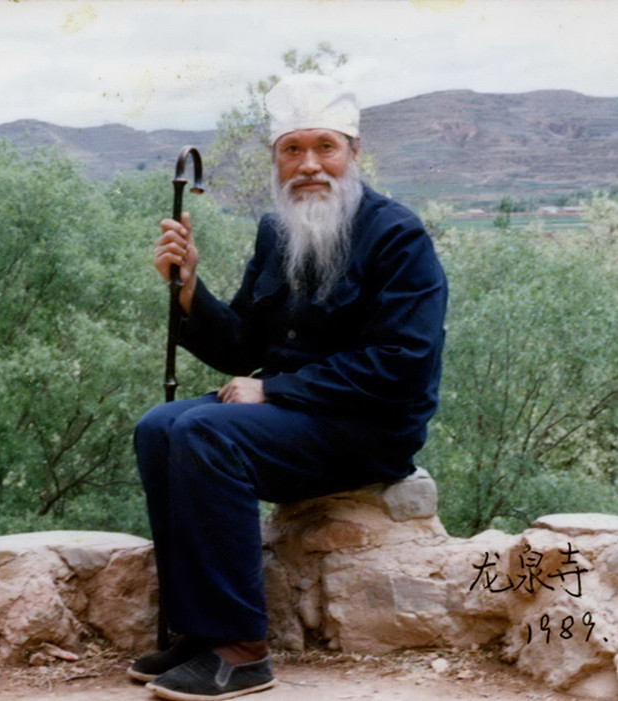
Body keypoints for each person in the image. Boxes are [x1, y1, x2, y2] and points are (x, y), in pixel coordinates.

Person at [129, 74, 447, 701]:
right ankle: (200, 631)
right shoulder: (278, 231)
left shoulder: (397, 235)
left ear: (354, 153)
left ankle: (241, 650)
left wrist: (275, 391)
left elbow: (403, 362)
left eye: (325, 147)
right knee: (158, 427)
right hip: (296, 421)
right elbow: (241, 346)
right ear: (276, 159)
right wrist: (189, 288)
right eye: (292, 149)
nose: (309, 165)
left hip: (368, 429)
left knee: (205, 432)